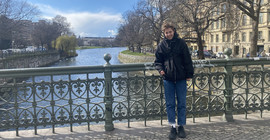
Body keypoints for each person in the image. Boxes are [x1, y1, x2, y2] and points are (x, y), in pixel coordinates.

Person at [154, 22, 194, 139]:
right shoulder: (161, 45)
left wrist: (189, 74)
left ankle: (181, 126)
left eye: (170, 32)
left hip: (181, 78)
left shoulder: (181, 43)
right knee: (170, 104)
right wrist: (161, 70)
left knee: (182, 103)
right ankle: (172, 127)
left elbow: (187, 59)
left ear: (174, 31)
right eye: (166, 32)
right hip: (168, 79)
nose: (169, 34)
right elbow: (157, 61)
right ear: (164, 33)